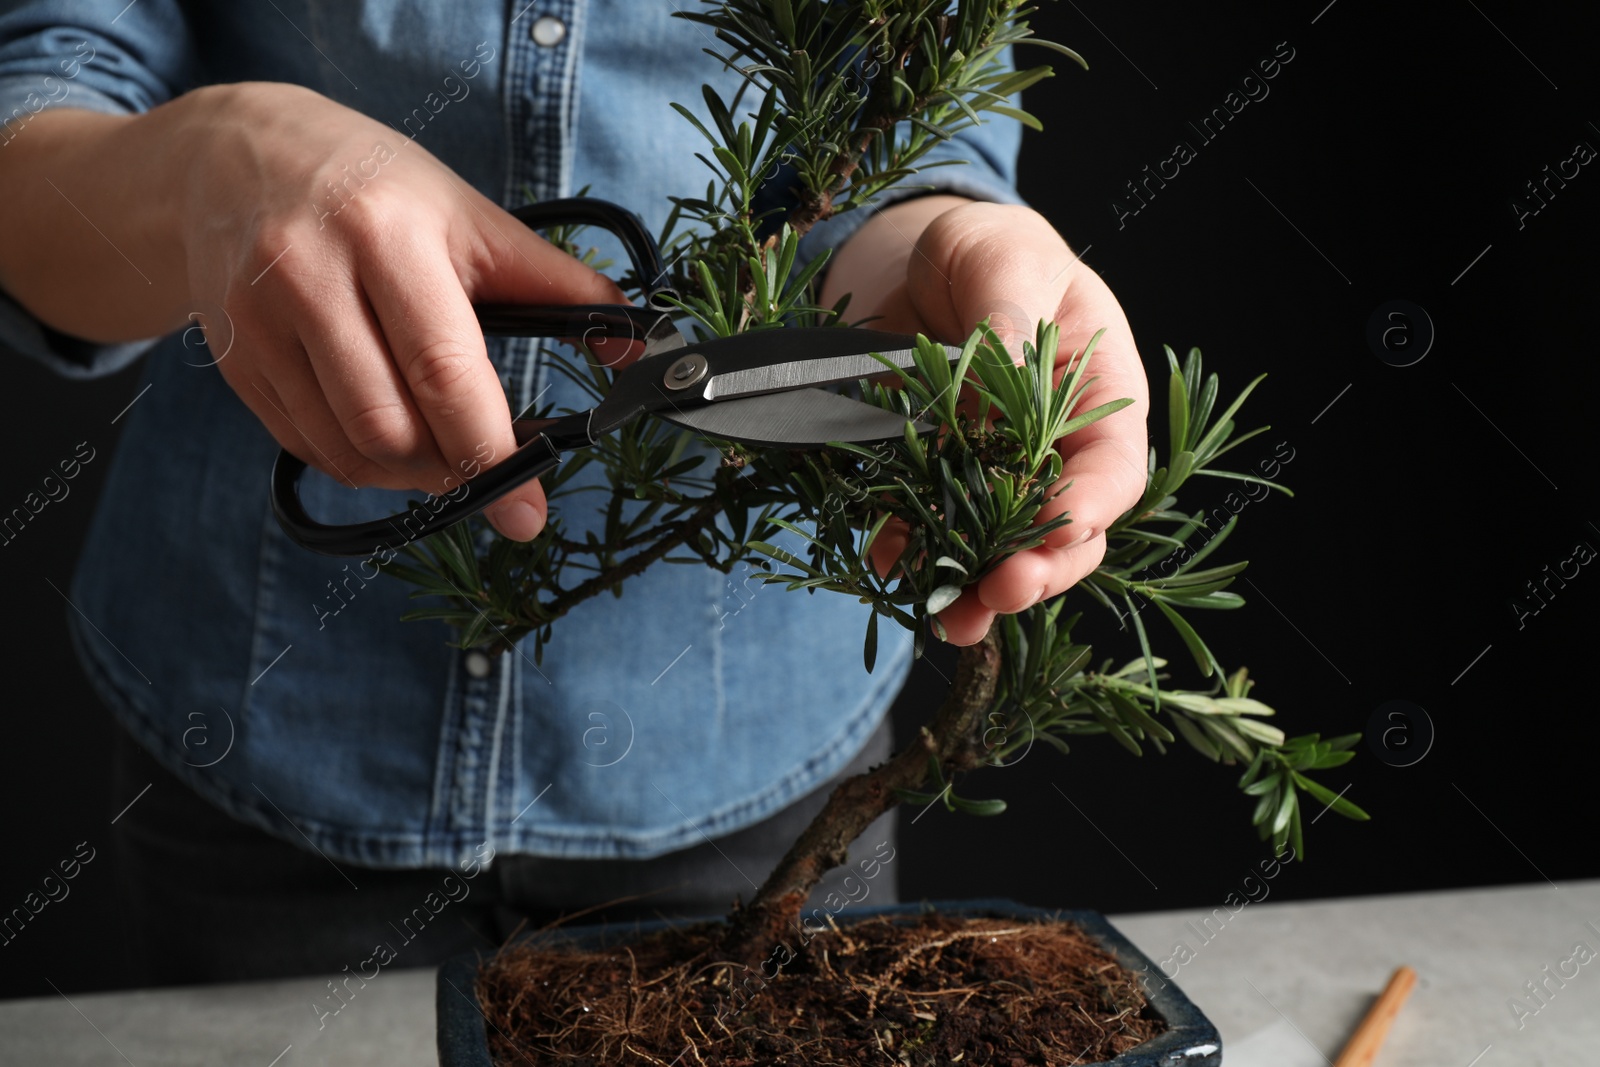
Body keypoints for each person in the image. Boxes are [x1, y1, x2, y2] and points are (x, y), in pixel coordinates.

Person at [0, 1, 1148, 985]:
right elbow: (33, 121)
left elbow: (917, 111)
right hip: (258, 730)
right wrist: (213, 159)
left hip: (752, 754)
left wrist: (933, 245)